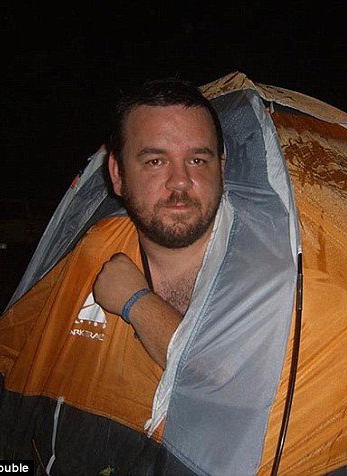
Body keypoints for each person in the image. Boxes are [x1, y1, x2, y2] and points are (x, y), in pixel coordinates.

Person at [93, 78, 226, 369]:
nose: (180, 181)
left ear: (221, 169)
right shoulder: (89, 255)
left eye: (197, 160)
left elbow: (241, 383)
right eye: (155, 161)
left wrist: (137, 302)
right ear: (117, 174)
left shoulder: (276, 269)